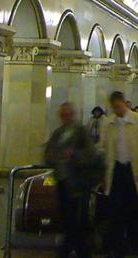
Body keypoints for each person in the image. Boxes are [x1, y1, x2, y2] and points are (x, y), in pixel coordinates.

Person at [99, 90, 138, 257]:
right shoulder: (108, 123)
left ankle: (136, 246)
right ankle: (117, 248)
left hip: (134, 171)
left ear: (124, 103)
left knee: (135, 210)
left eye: (118, 106)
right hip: (116, 171)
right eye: (114, 107)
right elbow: (103, 148)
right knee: (115, 211)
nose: (117, 110)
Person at [44, 102, 101, 258]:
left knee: (76, 220)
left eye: (68, 114)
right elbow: (48, 154)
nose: (66, 117)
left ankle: (66, 251)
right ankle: (80, 250)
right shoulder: (58, 133)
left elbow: (91, 155)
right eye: (63, 115)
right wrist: (55, 157)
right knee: (68, 220)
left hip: (78, 184)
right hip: (62, 182)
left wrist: (74, 155)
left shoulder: (81, 132)